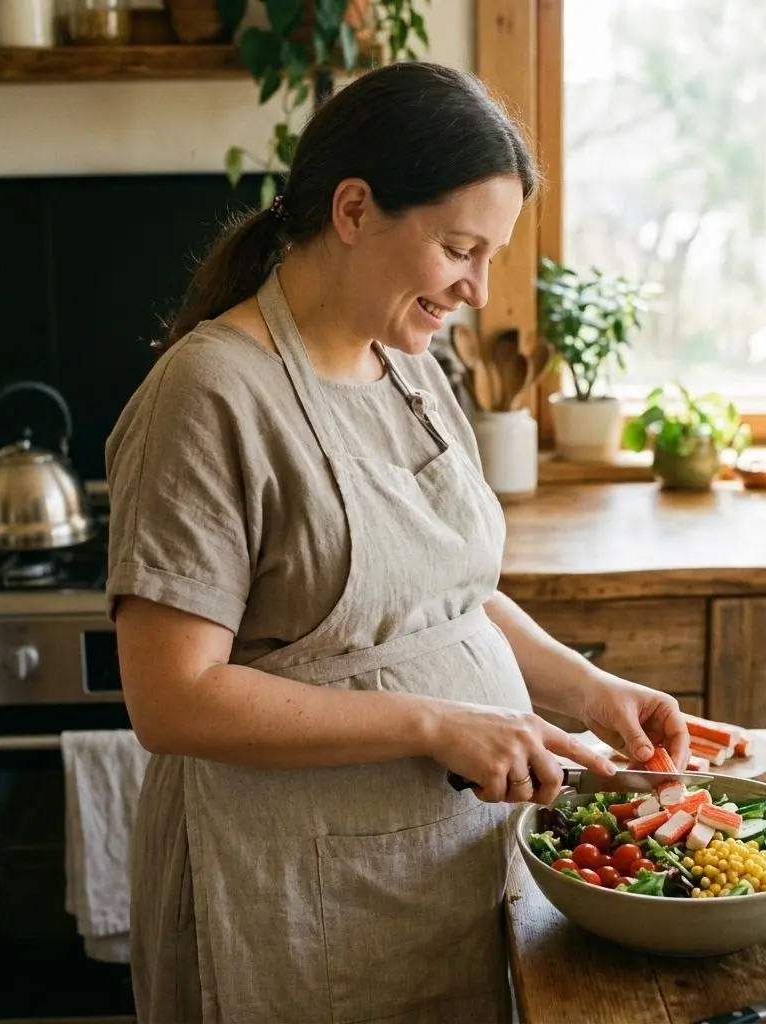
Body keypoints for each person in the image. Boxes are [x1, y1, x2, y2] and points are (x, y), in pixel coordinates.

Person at [106, 61, 689, 1024]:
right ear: (353, 209)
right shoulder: (209, 397)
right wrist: (435, 724)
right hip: (292, 897)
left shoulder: (408, 363)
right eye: (461, 248)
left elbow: (449, 595)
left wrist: (587, 690)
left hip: (435, 874)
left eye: (490, 254)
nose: (478, 287)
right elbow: (173, 699)